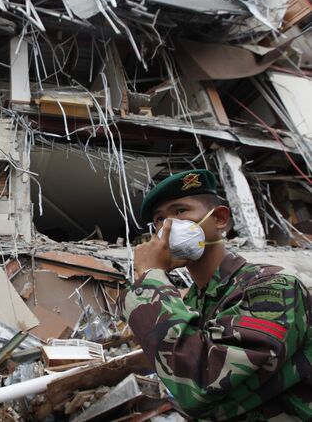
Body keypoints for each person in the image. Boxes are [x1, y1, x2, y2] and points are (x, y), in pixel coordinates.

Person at [117, 169, 312, 421]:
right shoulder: (191, 302)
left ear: (219, 218)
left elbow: (200, 383)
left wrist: (149, 277)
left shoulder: (272, 287)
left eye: (180, 212)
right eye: (158, 219)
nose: (167, 227)